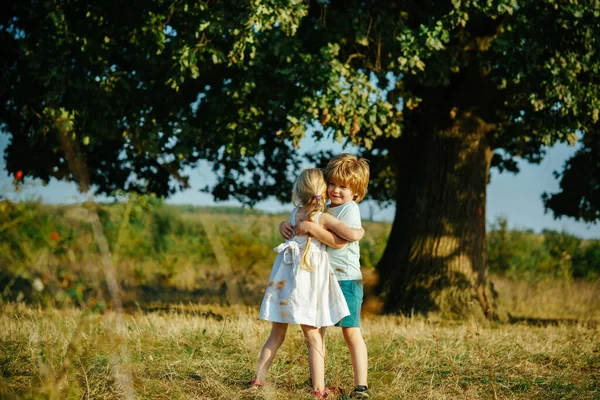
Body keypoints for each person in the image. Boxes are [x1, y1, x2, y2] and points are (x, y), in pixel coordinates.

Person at [251, 168, 365, 398]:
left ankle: (258, 379)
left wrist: (281, 224)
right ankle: (318, 390)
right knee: (313, 335)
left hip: (285, 280)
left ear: (299, 190)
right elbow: (348, 237)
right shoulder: (323, 218)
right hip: (306, 284)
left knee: (276, 335)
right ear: (322, 191)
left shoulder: (295, 214)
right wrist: (360, 230)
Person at [280, 153, 372, 399]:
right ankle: (318, 382)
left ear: (356, 191)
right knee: (316, 330)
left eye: (344, 186)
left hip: (345, 278)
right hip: (319, 279)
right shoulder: (323, 208)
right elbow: (300, 222)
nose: (336, 190)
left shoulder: (350, 210)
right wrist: (285, 227)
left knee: (350, 331)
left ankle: (361, 385)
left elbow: (338, 242)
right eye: (332, 183)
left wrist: (313, 228)